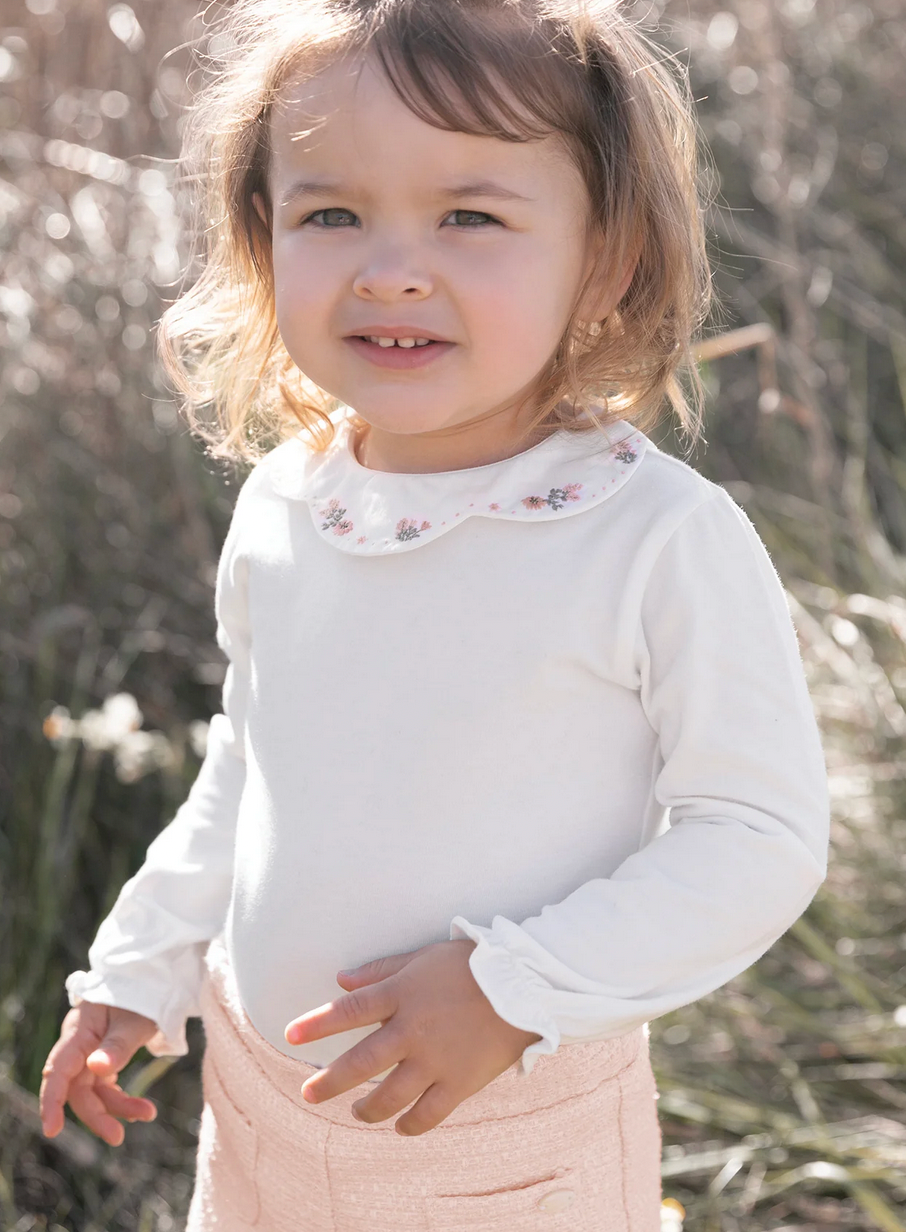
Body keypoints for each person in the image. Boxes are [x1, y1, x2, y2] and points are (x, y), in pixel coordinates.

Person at [39, 0, 830, 1227]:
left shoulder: (652, 539)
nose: (391, 266)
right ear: (262, 239)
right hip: (261, 1114)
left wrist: (515, 987)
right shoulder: (290, 504)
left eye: (470, 215)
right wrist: (142, 962)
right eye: (331, 213)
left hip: (503, 1144)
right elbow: (250, 769)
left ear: (607, 255)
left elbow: (756, 832)